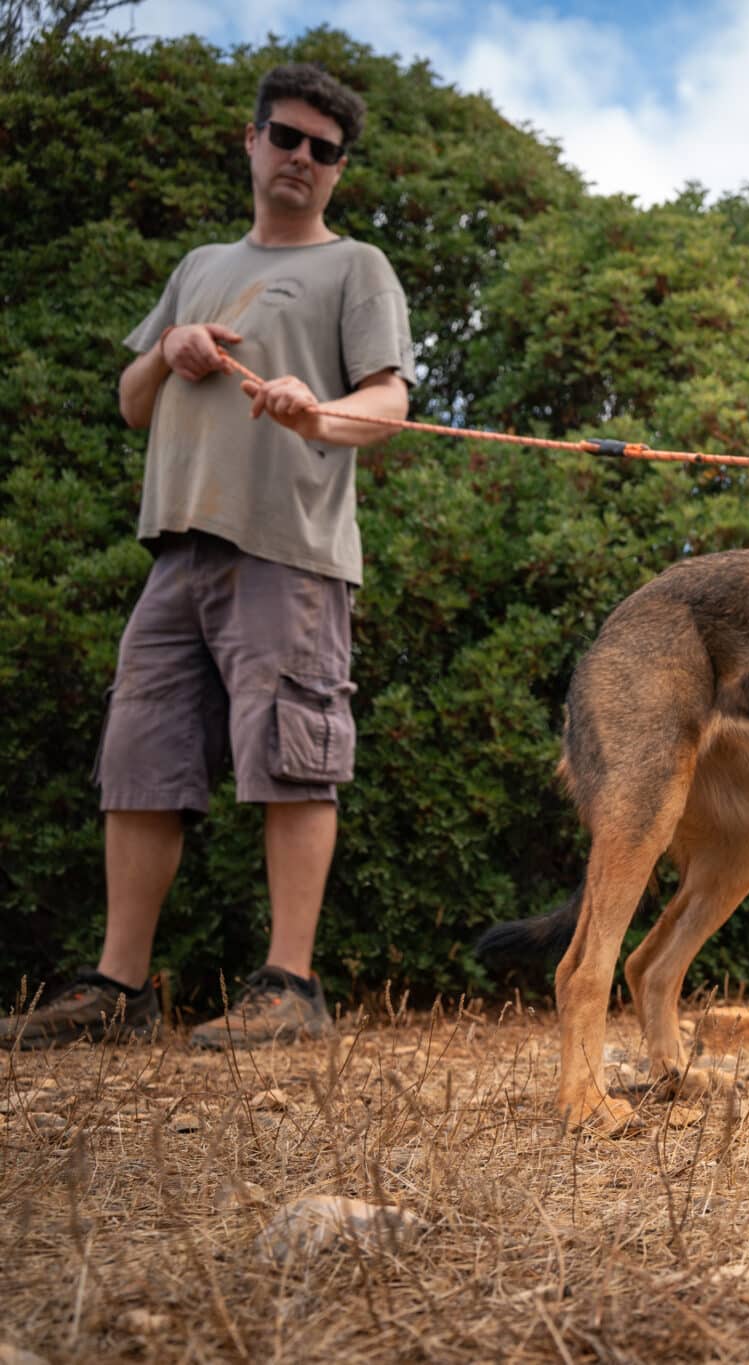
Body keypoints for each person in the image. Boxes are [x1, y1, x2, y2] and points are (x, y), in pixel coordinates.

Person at [0, 63, 414, 1051]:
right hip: (176, 554)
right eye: (287, 137)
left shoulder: (356, 266)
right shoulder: (196, 266)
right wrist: (171, 344)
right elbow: (132, 400)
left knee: (293, 759)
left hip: (291, 553)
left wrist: (317, 408)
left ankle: (291, 987)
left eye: (325, 150)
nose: (301, 159)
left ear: (339, 170)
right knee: (139, 762)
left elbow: (390, 402)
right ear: (251, 138)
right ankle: (119, 990)